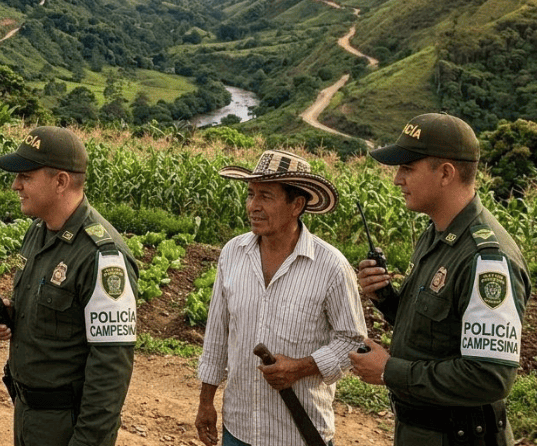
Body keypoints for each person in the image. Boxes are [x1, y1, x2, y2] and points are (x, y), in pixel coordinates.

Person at [349, 113, 531, 446]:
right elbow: (437, 330)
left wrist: (390, 372)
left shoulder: (486, 259)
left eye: (407, 168)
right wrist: (386, 299)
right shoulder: (438, 234)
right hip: (423, 432)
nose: (396, 180)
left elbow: (489, 377)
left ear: (445, 173)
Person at [195, 149, 366, 446]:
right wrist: (205, 402)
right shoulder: (233, 254)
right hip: (239, 429)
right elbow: (216, 336)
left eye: (266, 196)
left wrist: (301, 368)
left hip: (299, 434)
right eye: (251, 194)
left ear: (296, 205)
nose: (253, 206)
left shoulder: (331, 267)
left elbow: (352, 340)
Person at [0, 126, 138, 446]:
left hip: (65, 426)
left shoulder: (102, 256)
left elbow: (110, 371)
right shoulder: (38, 232)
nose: (16, 185)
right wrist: (12, 315)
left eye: (25, 176)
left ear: (60, 181)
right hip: (28, 415)